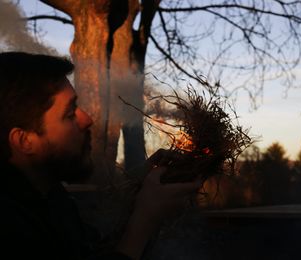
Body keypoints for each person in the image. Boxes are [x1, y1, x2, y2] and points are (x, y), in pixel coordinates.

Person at [0, 52, 201, 259]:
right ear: (24, 141)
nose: (87, 119)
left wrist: (139, 196)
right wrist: (144, 220)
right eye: (70, 114)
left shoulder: (52, 197)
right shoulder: (8, 227)